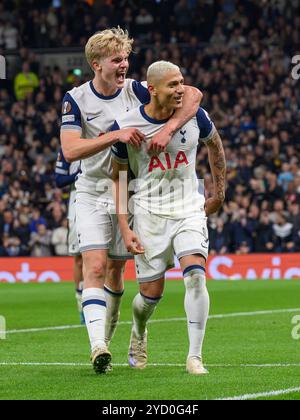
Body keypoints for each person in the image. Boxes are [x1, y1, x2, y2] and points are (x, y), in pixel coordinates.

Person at [60, 27, 202, 374]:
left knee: (116, 271)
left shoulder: (137, 89)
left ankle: (130, 332)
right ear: (97, 64)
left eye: (126, 58)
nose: (124, 65)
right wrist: (115, 134)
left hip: (131, 190)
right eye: (116, 60)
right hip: (93, 191)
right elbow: (70, 149)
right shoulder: (76, 99)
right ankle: (98, 346)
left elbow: (195, 95)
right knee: (94, 266)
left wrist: (169, 129)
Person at [111, 61, 226, 375]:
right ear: (152, 89)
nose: (180, 90)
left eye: (181, 83)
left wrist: (219, 192)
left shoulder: (195, 116)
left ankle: (195, 357)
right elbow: (118, 179)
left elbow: (215, 145)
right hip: (149, 213)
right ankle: (138, 330)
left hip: (190, 207)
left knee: (196, 276)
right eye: (172, 85)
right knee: (150, 297)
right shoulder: (126, 126)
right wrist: (124, 226)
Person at [55, 149, 85, 324]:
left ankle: (96, 301)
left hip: (102, 202)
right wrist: (79, 174)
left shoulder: (102, 137)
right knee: (79, 258)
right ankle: (80, 302)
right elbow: (59, 180)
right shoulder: (68, 147)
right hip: (76, 207)